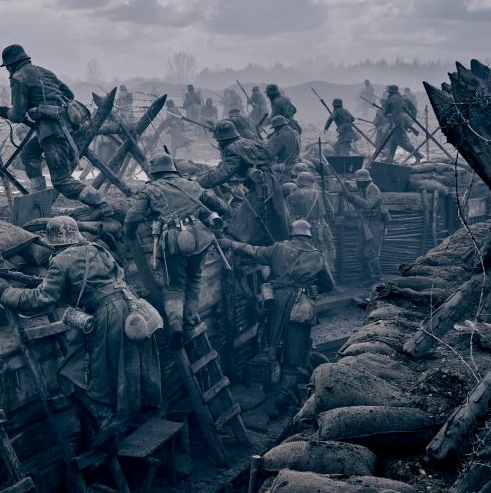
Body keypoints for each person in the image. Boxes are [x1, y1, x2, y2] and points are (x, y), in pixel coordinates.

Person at [0, 216, 161, 441]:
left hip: (109, 315)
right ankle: (131, 413)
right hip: (132, 308)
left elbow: (42, 298)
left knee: (81, 373)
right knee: (127, 362)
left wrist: (6, 293)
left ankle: (107, 420)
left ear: (55, 241)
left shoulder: (61, 260)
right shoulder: (97, 249)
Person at [220, 220, 334, 403]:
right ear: (308, 236)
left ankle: (270, 383)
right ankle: (285, 391)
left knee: (272, 342)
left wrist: (231, 244)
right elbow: (329, 285)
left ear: (292, 234)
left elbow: (253, 251)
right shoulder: (317, 256)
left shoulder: (278, 248)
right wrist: (312, 289)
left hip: (277, 302)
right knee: (296, 348)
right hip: (301, 305)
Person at [124, 154, 230, 348]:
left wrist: (128, 234)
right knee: (194, 281)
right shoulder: (193, 185)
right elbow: (221, 207)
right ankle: (188, 328)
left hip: (172, 243)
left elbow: (132, 218)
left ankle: (175, 325)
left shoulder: (150, 189)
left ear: (155, 173)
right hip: (200, 240)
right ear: (173, 169)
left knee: (174, 286)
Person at [0, 44, 110, 215]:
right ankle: (39, 198)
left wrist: (7, 112)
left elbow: (18, 115)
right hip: (61, 127)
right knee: (29, 154)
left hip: (52, 132)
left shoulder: (18, 78)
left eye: (7, 67)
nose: (7, 70)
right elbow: (69, 95)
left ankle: (100, 203)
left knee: (61, 180)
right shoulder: (46, 72)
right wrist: (49, 105)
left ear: (12, 65)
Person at [199, 121, 289, 245]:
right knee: (276, 219)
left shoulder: (232, 149)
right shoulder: (248, 142)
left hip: (261, 188)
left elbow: (223, 173)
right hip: (271, 183)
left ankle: (239, 249)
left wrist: (197, 182)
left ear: (222, 139)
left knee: (241, 227)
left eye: (218, 140)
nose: (218, 144)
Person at [286, 169, 335, 271]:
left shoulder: (293, 196)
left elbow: (289, 217)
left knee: (306, 255)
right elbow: (331, 212)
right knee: (324, 254)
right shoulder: (321, 194)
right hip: (322, 228)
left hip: (303, 230)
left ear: (300, 180)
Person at [345, 168, 387, 285]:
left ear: (363, 181)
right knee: (359, 254)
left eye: (358, 181)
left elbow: (368, 205)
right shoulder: (363, 189)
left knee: (371, 254)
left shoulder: (373, 189)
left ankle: (379, 280)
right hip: (366, 224)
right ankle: (369, 277)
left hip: (375, 224)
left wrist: (353, 198)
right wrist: (350, 197)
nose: (356, 183)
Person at [381, 85, 422, 163]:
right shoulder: (405, 99)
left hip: (395, 123)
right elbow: (414, 109)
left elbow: (385, 113)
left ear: (390, 92)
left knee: (403, 142)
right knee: (393, 141)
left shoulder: (389, 100)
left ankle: (418, 155)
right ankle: (390, 158)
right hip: (404, 122)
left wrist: (387, 114)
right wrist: (411, 120)